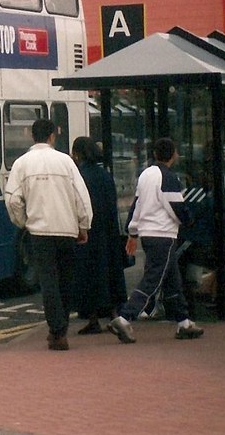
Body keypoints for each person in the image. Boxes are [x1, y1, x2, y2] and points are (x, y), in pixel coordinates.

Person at [4, 119, 93, 351]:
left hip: (40, 232)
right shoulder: (66, 161)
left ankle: (57, 331)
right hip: (67, 230)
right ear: (52, 136)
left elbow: (12, 199)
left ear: (32, 137)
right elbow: (81, 196)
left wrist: (24, 222)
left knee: (49, 281)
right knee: (66, 280)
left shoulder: (21, 163)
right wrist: (84, 225)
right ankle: (61, 328)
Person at [108, 137, 204, 344]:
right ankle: (125, 318)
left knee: (172, 280)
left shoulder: (146, 175)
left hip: (148, 234)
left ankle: (184, 322)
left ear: (155, 154)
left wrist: (132, 232)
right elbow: (176, 208)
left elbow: (137, 205)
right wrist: (189, 221)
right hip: (164, 235)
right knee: (153, 280)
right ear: (173, 155)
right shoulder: (169, 177)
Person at [70, 136, 127, 334]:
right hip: (108, 232)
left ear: (77, 154)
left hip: (88, 232)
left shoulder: (80, 177)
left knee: (88, 276)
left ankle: (93, 319)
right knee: (108, 272)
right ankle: (113, 315)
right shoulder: (105, 175)